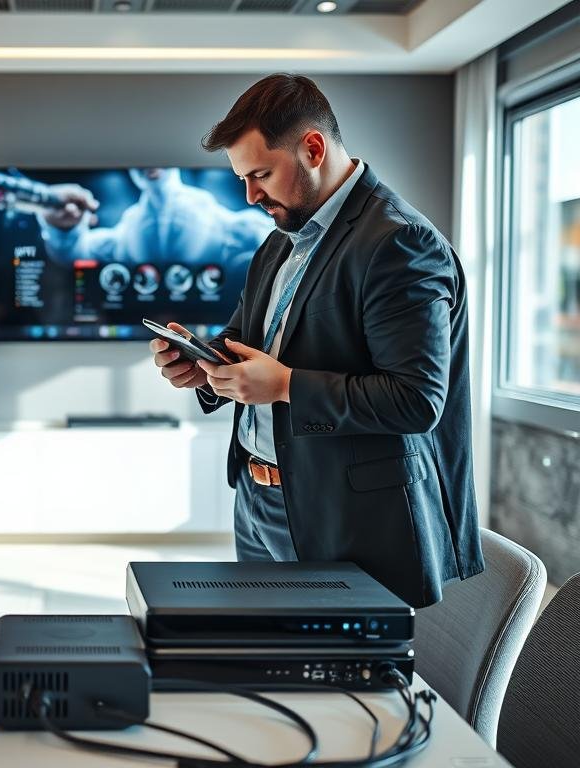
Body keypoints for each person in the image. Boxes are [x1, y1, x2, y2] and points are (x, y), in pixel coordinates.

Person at [149, 74, 483, 608]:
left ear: (312, 148)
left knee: (334, 684)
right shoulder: (282, 240)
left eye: (260, 174)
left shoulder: (400, 242)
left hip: (344, 516)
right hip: (257, 501)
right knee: (266, 664)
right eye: (241, 178)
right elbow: (248, 342)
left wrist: (284, 386)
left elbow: (417, 400)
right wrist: (204, 366)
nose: (251, 195)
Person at [36, 168, 275, 269]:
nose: (149, 165)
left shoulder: (223, 221)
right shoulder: (126, 229)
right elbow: (73, 255)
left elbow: (278, 241)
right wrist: (59, 226)